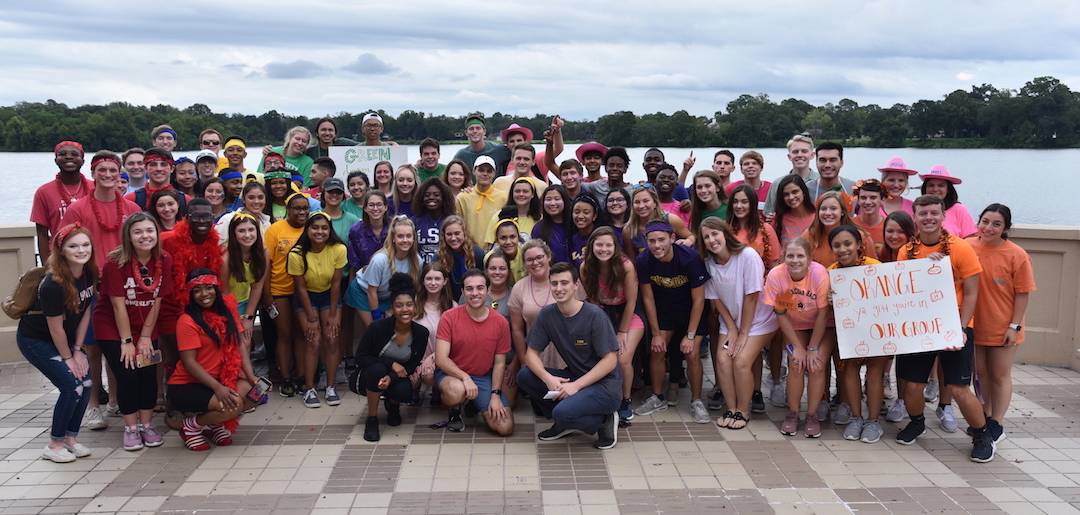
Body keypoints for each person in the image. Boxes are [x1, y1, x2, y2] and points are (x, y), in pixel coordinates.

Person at [895, 195, 993, 462]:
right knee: (912, 385)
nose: (928, 218)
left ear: (942, 216)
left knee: (959, 388)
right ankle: (916, 422)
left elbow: (972, 292)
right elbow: (904, 290)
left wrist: (961, 327)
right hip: (920, 325)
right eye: (923, 213)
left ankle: (982, 434)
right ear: (914, 217)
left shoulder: (960, 248)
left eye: (934, 213)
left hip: (954, 324)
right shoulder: (906, 251)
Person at [60, 151, 141, 425]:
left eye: (112, 170)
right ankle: (94, 403)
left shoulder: (131, 209)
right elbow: (66, 247)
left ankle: (116, 402)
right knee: (93, 350)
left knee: (121, 345)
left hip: (125, 287)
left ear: (120, 174)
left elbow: (141, 246)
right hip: (90, 287)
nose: (108, 175)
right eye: (102, 170)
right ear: (93, 174)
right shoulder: (77, 209)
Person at [517, 262, 621, 449]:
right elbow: (530, 354)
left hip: (604, 385)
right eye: (554, 283)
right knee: (525, 376)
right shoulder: (548, 315)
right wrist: (548, 378)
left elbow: (611, 360)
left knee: (562, 412)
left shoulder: (594, 315)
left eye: (564, 283)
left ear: (576, 285)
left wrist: (576, 386)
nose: (559, 288)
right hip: (574, 377)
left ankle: (604, 419)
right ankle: (566, 420)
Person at [17, 224, 97, 462]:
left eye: (85, 245)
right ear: (61, 251)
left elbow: (85, 313)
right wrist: (67, 358)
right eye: (73, 246)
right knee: (72, 386)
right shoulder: (53, 284)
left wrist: (78, 350)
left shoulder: (90, 273)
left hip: (67, 340)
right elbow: (54, 327)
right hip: (36, 340)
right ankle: (54, 445)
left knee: (87, 382)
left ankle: (70, 439)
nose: (81, 250)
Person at [95, 213, 170, 451]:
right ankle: (130, 428)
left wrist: (146, 337)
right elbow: (117, 305)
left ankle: (147, 425)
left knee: (147, 373)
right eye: (137, 232)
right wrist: (127, 341)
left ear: (157, 234)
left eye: (149, 230)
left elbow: (157, 300)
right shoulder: (115, 263)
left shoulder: (164, 260)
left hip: (147, 322)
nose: (144, 236)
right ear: (128, 236)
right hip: (113, 326)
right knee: (128, 373)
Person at [698, 217, 778, 429]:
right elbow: (715, 299)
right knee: (723, 359)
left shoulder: (747, 256)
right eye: (706, 237)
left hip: (758, 321)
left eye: (714, 233)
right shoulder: (709, 264)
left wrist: (743, 333)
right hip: (731, 322)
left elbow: (752, 296)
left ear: (725, 233)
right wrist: (732, 328)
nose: (712, 240)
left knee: (741, 361)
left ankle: (744, 410)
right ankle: (731, 408)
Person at [168, 269, 259, 451]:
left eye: (209, 288)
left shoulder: (226, 312)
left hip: (217, 380)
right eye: (197, 290)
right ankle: (191, 426)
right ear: (191, 294)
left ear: (216, 289)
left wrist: (251, 377)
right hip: (186, 385)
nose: (204, 294)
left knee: (255, 394)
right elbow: (189, 363)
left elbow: (240, 345)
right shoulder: (187, 321)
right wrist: (218, 388)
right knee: (232, 406)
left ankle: (214, 424)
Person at [968, 204, 1034, 443]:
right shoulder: (967, 246)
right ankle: (984, 416)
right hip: (975, 324)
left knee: (1000, 375)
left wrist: (1014, 327)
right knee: (981, 374)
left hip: (1004, 326)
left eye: (996, 224)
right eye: (985, 221)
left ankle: (997, 421)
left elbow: (1023, 293)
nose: (989, 228)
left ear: (1006, 227)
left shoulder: (1016, 254)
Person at [633, 221, 709, 423]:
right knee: (657, 349)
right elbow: (648, 298)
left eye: (661, 240)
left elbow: (699, 299)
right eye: (652, 241)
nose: (657, 245)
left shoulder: (690, 258)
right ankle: (657, 397)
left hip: (692, 310)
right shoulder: (643, 260)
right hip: (665, 310)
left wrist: (690, 335)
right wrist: (657, 334)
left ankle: (696, 401)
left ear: (672, 239)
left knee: (692, 353)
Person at [764, 238, 832, 437]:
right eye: (790, 256)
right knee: (795, 362)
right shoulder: (777, 275)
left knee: (816, 363)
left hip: (823, 325)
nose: (795, 260)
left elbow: (822, 314)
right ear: (783, 257)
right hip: (796, 326)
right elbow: (780, 313)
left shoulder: (819, 274)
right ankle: (793, 413)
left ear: (810, 258)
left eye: (800, 256)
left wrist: (811, 349)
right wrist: (798, 346)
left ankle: (812, 415)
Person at [826, 225, 887, 444]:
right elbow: (826, 308)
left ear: (859, 245)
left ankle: (873, 421)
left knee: (874, 373)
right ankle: (856, 417)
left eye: (847, 243)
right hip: (850, 333)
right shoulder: (832, 272)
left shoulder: (875, 267)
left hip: (878, 331)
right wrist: (830, 301)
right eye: (837, 245)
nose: (842, 249)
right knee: (849, 369)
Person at [435, 270, 514, 435]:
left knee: (505, 427)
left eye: (480, 288)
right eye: (469, 289)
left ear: (487, 290)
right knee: (456, 391)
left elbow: (500, 363)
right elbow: (441, 359)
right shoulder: (449, 317)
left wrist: (495, 395)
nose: (475, 293)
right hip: (453, 374)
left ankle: (472, 402)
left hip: (483, 376)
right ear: (463, 292)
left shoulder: (500, 322)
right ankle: (455, 408)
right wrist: (465, 377)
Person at [580, 227, 643, 423]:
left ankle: (626, 400)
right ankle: (601, 398)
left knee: (622, 359)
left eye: (609, 245)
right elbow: (591, 299)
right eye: (599, 245)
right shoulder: (585, 267)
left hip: (628, 314)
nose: (604, 249)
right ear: (591, 246)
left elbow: (632, 301)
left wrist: (622, 331)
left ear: (615, 247)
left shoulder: (626, 267)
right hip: (603, 314)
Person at [357, 273, 428, 442]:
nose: (405, 310)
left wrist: (391, 376)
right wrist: (391, 363)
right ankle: (372, 419)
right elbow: (361, 357)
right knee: (377, 370)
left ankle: (392, 405)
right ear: (392, 308)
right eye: (399, 305)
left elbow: (411, 365)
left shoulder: (421, 333)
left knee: (404, 392)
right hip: (367, 377)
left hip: (397, 377)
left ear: (415, 306)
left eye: (409, 305)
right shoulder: (377, 328)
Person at [288, 212, 347, 408]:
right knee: (313, 339)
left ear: (330, 230)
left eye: (324, 228)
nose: (319, 232)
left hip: (330, 295)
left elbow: (337, 283)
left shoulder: (338, 249)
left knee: (332, 337)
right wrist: (311, 316)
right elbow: (300, 287)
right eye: (315, 228)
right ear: (307, 230)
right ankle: (309, 387)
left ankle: (330, 386)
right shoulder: (296, 253)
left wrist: (332, 314)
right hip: (307, 297)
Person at [264, 193, 310, 397]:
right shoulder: (275, 229)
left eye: (305, 208)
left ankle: (301, 376)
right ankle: (286, 378)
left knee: (301, 335)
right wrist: (267, 296)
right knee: (284, 335)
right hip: (280, 290)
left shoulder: (311, 228)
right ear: (287, 210)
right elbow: (267, 264)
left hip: (304, 292)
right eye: (297, 208)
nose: (301, 212)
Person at [508, 239, 564, 401]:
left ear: (548, 257)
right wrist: (525, 360)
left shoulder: (563, 279)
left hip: (565, 351)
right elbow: (517, 330)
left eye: (539, 257)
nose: (535, 262)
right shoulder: (519, 288)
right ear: (524, 264)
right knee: (544, 408)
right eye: (530, 259)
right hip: (537, 354)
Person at [879, 211, 917, 423]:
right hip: (885, 317)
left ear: (910, 233)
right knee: (883, 359)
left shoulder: (918, 255)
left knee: (905, 362)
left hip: (910, 317)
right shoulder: (880, 255)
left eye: (900, 231)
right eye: (890, 231)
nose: (894, 236)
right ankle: (881, 395)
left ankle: (902, 401)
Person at [350, 216, 422, 328]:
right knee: (375, 331)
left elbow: (415, 288)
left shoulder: (417, 261)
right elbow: (371, 291)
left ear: (414, 238)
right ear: (393, 238)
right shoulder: (380, 259)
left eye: (409, 236)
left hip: (386, 295)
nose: (405, 240)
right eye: (400, 236)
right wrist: (377, 317)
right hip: (364, 292)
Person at [221, 213, 267, 348]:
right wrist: (235, 320)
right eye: (241, 231)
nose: (247, 235)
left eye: (251, 230)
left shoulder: (263, 253)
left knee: (246, 343)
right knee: (235, 344)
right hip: (227, 306)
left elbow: (257, 286)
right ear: (233, 233)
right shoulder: (226, 258)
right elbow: (224, 292)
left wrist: (248, 317)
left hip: (247, 303)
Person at [411, 263, 455, 400]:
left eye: (437, 279)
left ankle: (438, 389)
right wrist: (414, 364)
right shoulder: (413, 305)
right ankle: (414, 389)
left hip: (442, 359)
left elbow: (457, 341)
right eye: (429, 279)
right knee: (407, 385)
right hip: (416, 359)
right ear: (423, 281)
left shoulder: (453, 307)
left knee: (429, 375)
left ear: (445, 281)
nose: (433, 283)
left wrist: (433, 358)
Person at [802, 192, 876, 266]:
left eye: (833, 208)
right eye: (823, 209)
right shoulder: (809, 236)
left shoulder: (861, 236)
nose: (827, 213)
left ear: (842, 212)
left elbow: (875, 268)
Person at [623, 186, 692, 256]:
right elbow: (631, 258)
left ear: (655, 203)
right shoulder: (628, 229)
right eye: (637, 202)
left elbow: (691, 236)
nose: (641, 206)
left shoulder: (671, 220)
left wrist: (688, 241)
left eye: (646, 201)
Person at [456, 156, 507, 246]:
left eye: (489, 171)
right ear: (474, 171)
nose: (485, 174)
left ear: (494, 173)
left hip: (496, 249)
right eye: (481, 170)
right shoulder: (463, 198)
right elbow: (458, 224)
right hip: (470, 249)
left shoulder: (503, 197)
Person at [764, 134, 819, 217]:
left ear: (812, 155)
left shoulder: (820, 181)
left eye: (804, 151)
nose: (799, 155)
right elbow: (768, 212)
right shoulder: (777, 183)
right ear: (789, 156)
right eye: (795, 152)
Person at [728, 185, 781, 268]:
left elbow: (774, 265)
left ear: (752, 204)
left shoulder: (766, 229)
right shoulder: (725, 229)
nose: (738, 206)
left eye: (744, 202)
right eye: (735, 201)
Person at [919, 165, 978, 237]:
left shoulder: (959, 210)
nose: (935, 189)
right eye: (931, 185)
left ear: (948, 189)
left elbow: (971, 238)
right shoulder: (918, 209)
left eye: (941, 185)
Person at [437, 215, 486, 300]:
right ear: (444, 236)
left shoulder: (478, 254)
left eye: (457, 233)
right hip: (448, 302)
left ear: (464, 233)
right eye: (449, 234)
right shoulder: (438, 257)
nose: (453, 238)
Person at [486, 178, 541, 247]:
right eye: (517, 191)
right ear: (512, 193)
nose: (521, 194)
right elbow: (490, 246)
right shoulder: (499, 216)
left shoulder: (540, 219)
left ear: (532, 194)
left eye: (525, 191)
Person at [413, 178, 456, 264]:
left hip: (445, 270)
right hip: (420, 271)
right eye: (427, 195)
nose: (431, 198)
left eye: (436, 195)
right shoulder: (415, 221)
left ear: (444, 197)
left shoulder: (452, 221)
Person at [531, 185, 573, 265]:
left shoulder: (574, 224)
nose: (552, 203)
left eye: (557, 199)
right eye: (548, 199)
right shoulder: (538, 229)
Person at [772, 175, 816, 247]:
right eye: (786, 194)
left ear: (803, 192)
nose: (791, 197)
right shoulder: (778, 219)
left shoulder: (818, 216)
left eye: (795, 192)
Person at [851, 179, 887, 255]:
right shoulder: (850, 224)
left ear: (882, 200)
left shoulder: (888, 226)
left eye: (873, 197)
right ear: (858, 200)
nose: (867, 202)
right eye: (863, 198)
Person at [569, 195, 601, 267]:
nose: (580, 216)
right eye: (577, 212)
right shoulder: (571, 240)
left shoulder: (602, 237)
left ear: (594, 216)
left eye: (586, 212)